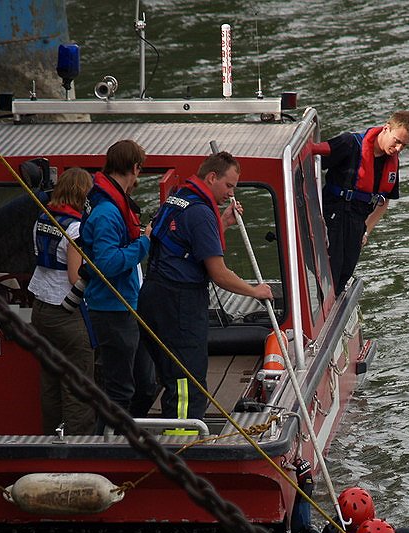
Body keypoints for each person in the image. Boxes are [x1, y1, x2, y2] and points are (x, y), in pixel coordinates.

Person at [138, 151, 273, 426]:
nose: (232, 193)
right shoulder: (200, 213)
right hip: (179, 303)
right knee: (188, 381)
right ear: (212, 177)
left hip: (154, 297)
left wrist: (222, 222)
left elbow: (183, 243)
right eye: (229, 185)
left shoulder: (179, 199)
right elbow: (219, 274)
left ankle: (175, 435)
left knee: (172, 375)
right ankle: (184, 443)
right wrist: (256, 292)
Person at [80, 140, 157, 431]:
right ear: (135, 168)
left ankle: (126, 434)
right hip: (111, 309)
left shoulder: (108, 205)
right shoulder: (107, 213)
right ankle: (108, 445)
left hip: (126, 305)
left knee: (145, 385)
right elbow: (108, 264)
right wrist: (145, 242)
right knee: (120, 389)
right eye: (139, 170)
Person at [312, 110, 409, 293]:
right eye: (397, 141)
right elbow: (313, 161)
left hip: (357, 220)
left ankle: (335, 301)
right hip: (334, 213)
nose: (399, 149)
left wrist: (366, 230)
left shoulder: (391, 161)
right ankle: (322, 304)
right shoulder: (349, 143)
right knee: (333, 265)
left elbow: (384, 200)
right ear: (386, 128)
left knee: (347, 269)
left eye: (405, 145)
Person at [27, 167, 94, 434]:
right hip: (65, 313)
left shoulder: (43, 218)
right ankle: (78, 446)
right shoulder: (75, 229)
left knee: (51, 382)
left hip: (40, 309)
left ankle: (50, 439)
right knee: (78, 386)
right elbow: (75, 276)